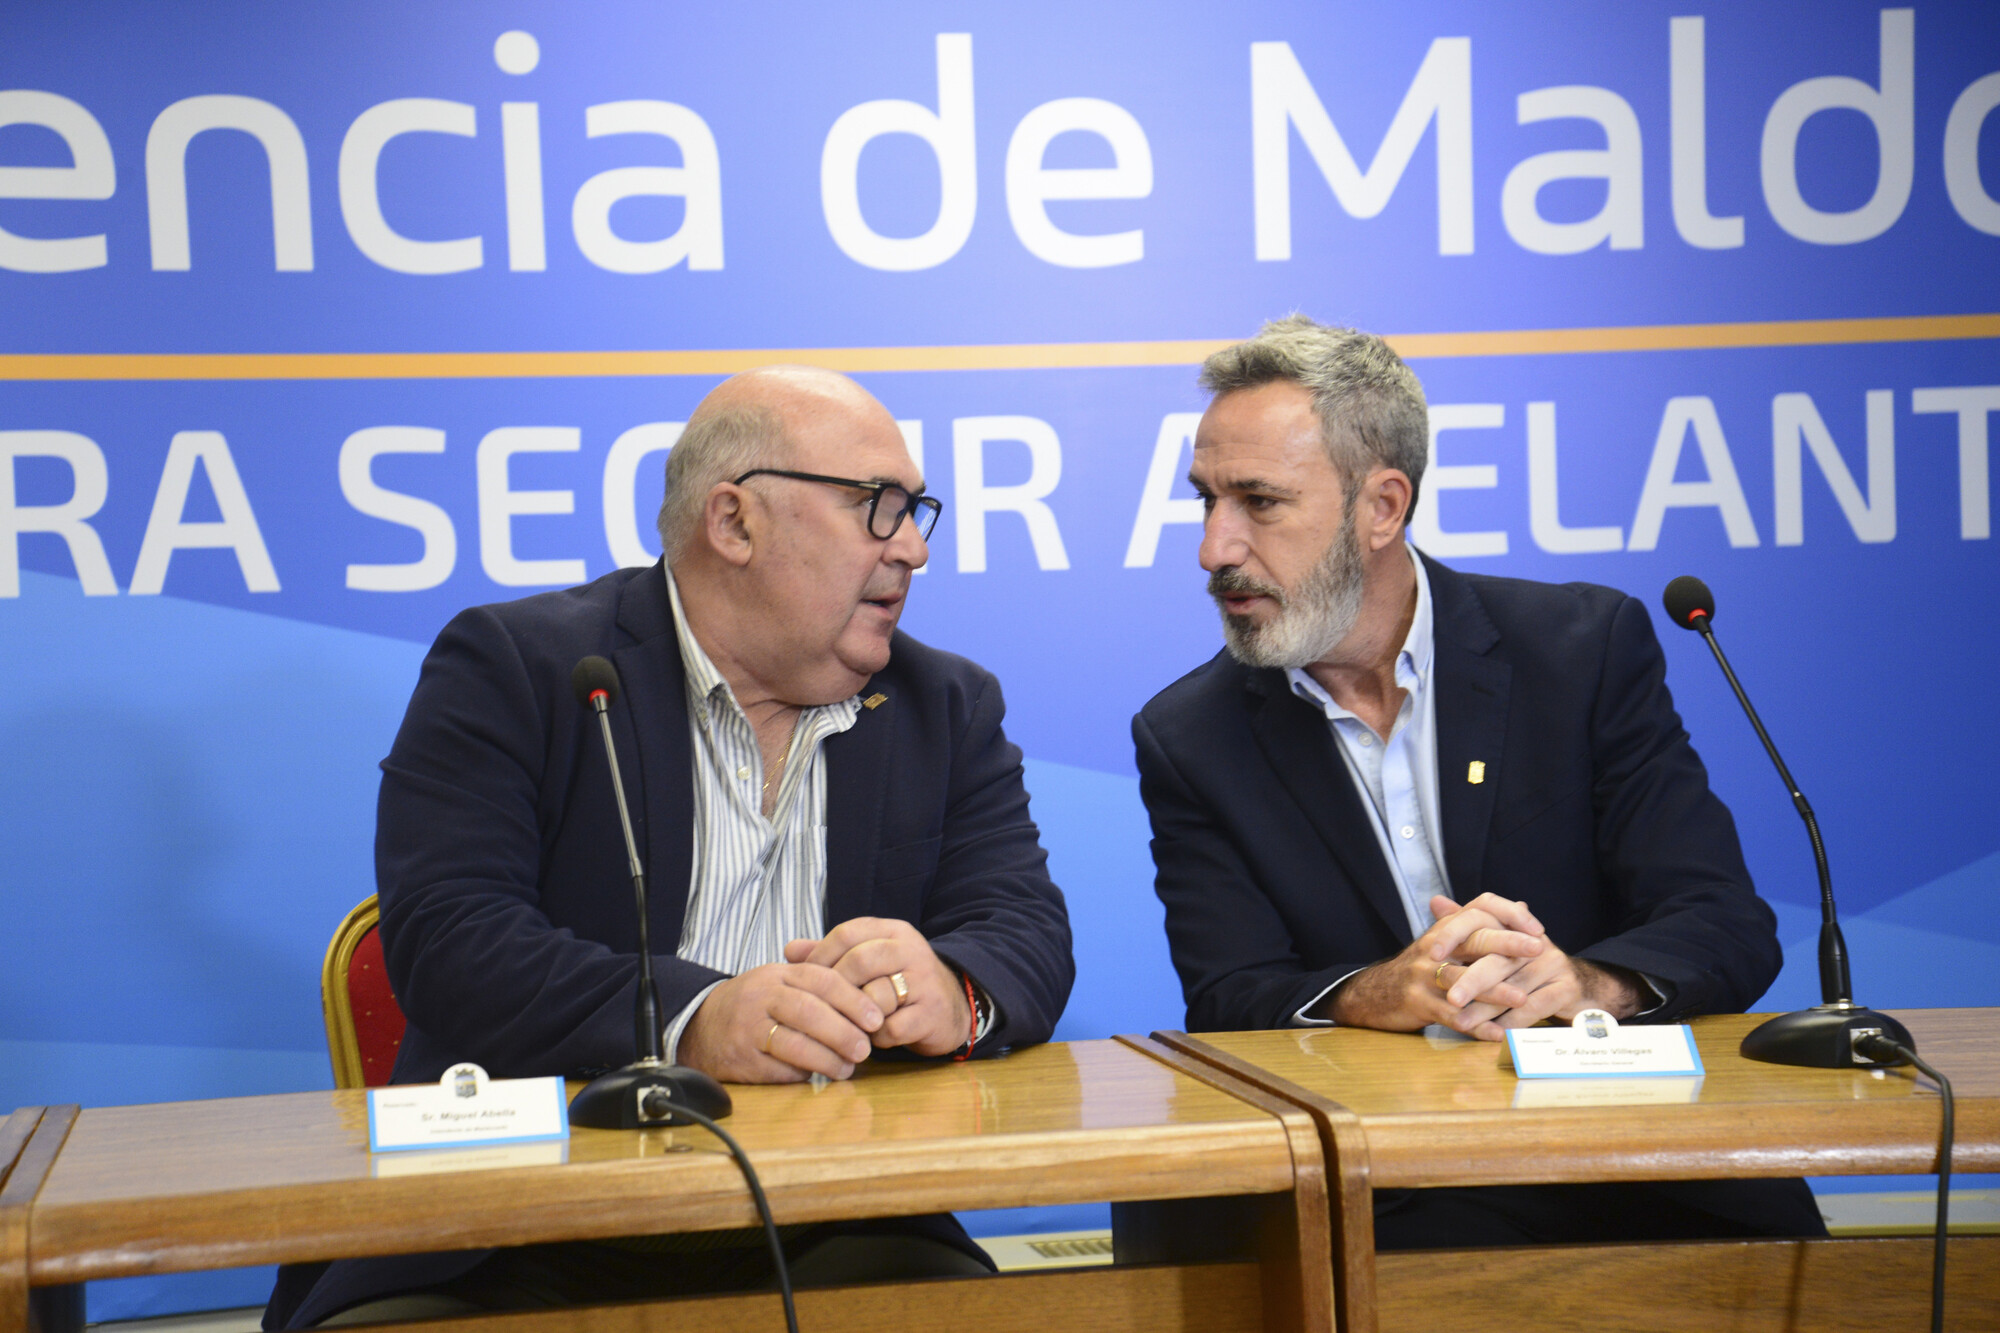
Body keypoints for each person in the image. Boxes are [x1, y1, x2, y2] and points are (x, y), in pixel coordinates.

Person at [269, 366, 1074, 1327]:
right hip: (515, 1219)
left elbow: (1026, 929)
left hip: (833, 1210)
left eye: (915, 511)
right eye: (877, 505)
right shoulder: (522, 668)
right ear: (733, 522)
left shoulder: (944, 703)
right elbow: (451, 938)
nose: (913, 546)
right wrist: (694, 1018)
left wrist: (950, 984)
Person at [1132, 316, 1825, 1247]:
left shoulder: (1581, 651)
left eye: (1259, 502)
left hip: (1630, 1152)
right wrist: (1376, 991)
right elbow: (1229, 994)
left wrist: (1585, 984)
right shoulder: (1192, 734)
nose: (1215, 548)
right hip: (1390, 1181)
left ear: (1383, 507)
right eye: (1207, 501)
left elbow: (1723, 920)